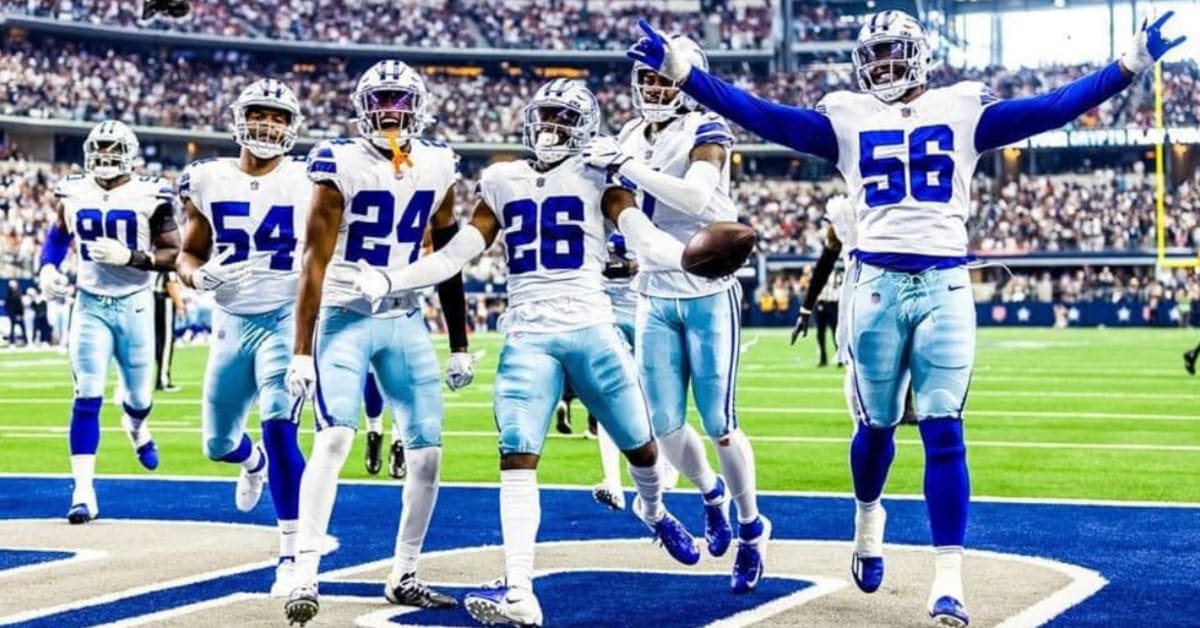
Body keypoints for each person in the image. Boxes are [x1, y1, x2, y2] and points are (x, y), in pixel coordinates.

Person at [628, 10, 1185, 625]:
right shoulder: (847, 116)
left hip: (945, 282)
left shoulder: (963, 107)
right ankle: (869, 522)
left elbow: (1052, 107)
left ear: (918, 55)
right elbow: (765, 116)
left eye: (896, 54)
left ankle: (949, 581)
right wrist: (689, 76)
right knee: (878, 429)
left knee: (945, 428)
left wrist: (1127, 65)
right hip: (874, 286)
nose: (885, 67)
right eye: (877, 56)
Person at [353, 79, 702, 628]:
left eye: (563, 118)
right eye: (545, 116)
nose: (550, 128)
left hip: (592, 328)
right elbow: (456, 254)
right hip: (527, 337)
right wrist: (393, 278)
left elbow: (643, 237)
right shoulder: (502, 179)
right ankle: (520, 591)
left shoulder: (599, 175)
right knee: (516, 456)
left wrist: (687, 255)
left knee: (642, 449)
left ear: (584, 127)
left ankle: (654, 510)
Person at [282, 59, 474, 624]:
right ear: (362, 106)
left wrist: (459, 342)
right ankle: (304, 570)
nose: (390, 112)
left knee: (429, 451)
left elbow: (446, 257)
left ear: (416, 106)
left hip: (406, 316)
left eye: (399, 101)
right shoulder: (337, 162)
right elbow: (313, 263)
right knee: (337, 438)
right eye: (381, 101)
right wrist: (300, 349)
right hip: (344, 313)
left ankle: (406, 571)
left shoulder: (438, 163)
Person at [583, 33, 769, 594]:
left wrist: (627, 169)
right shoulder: (629, 134)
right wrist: (618, 249)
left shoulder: (706, 127)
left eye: (666, 77)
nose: (657, 87)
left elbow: (692, 198)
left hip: (708, 290)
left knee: (721, 424)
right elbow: (616, 207)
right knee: (663, 427)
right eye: (650, 78)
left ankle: (751, 527)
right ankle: (711, 494)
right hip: (653, 291)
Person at [175, 78, 312, 594]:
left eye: (279, 116)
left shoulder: (308, 179)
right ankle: (248, 461)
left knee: (281, 428)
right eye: (260, 112)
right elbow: (189, 252)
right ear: (239, 117)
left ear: (291, 124)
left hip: (283, 317)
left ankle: (291, 556)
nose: (268, 124)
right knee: (217, 444)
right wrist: (196, 276)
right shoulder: (207, 178)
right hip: (231, 323)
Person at [38, 119, 180, 523]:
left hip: (135, 303)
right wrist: (48, 267)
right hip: (89, 304)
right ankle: (83, 492)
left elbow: (173, 252)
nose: (104, 158)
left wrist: (132, 258)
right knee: (87, 394)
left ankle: (136, 428)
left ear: (130, 155)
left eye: (112, 150)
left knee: (139, 398)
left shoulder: (150, 194)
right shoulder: (74, 190)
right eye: (98, 149)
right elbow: (58, 235)